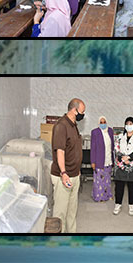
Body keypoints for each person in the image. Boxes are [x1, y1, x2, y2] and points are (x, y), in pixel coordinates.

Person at [50, 98, 85, 233]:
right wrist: (63, 173)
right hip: (63, 177)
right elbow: (60, 151)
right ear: (74, 110)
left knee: (71, 211)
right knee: (60, 214)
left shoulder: (73, 125)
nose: (83, 115)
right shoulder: (61, 126)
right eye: (82, 112)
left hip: (74, 174)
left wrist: (77, 171)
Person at [113, 117, 133, 216]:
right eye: (127, 124)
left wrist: (129, 158)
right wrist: (123, 159)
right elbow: (116, 149)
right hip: (121, 165)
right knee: (119, 186)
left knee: (132, 187)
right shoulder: (119, 136)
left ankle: (132, 206)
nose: (129, 126)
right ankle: (118, 204)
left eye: (131, 124)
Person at [90, 116, 114, 202]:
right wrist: (93, 161)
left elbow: (112, 145)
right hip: (99, 160)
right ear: (98, 123)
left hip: (108, 160)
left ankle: (107, 195)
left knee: (107, 180)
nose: (103, 124)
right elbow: (93, 148)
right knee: (99, 180)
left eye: (104, 122)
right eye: (101, 122)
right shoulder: (95, 132)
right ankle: (99, 197)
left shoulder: (110, 131)